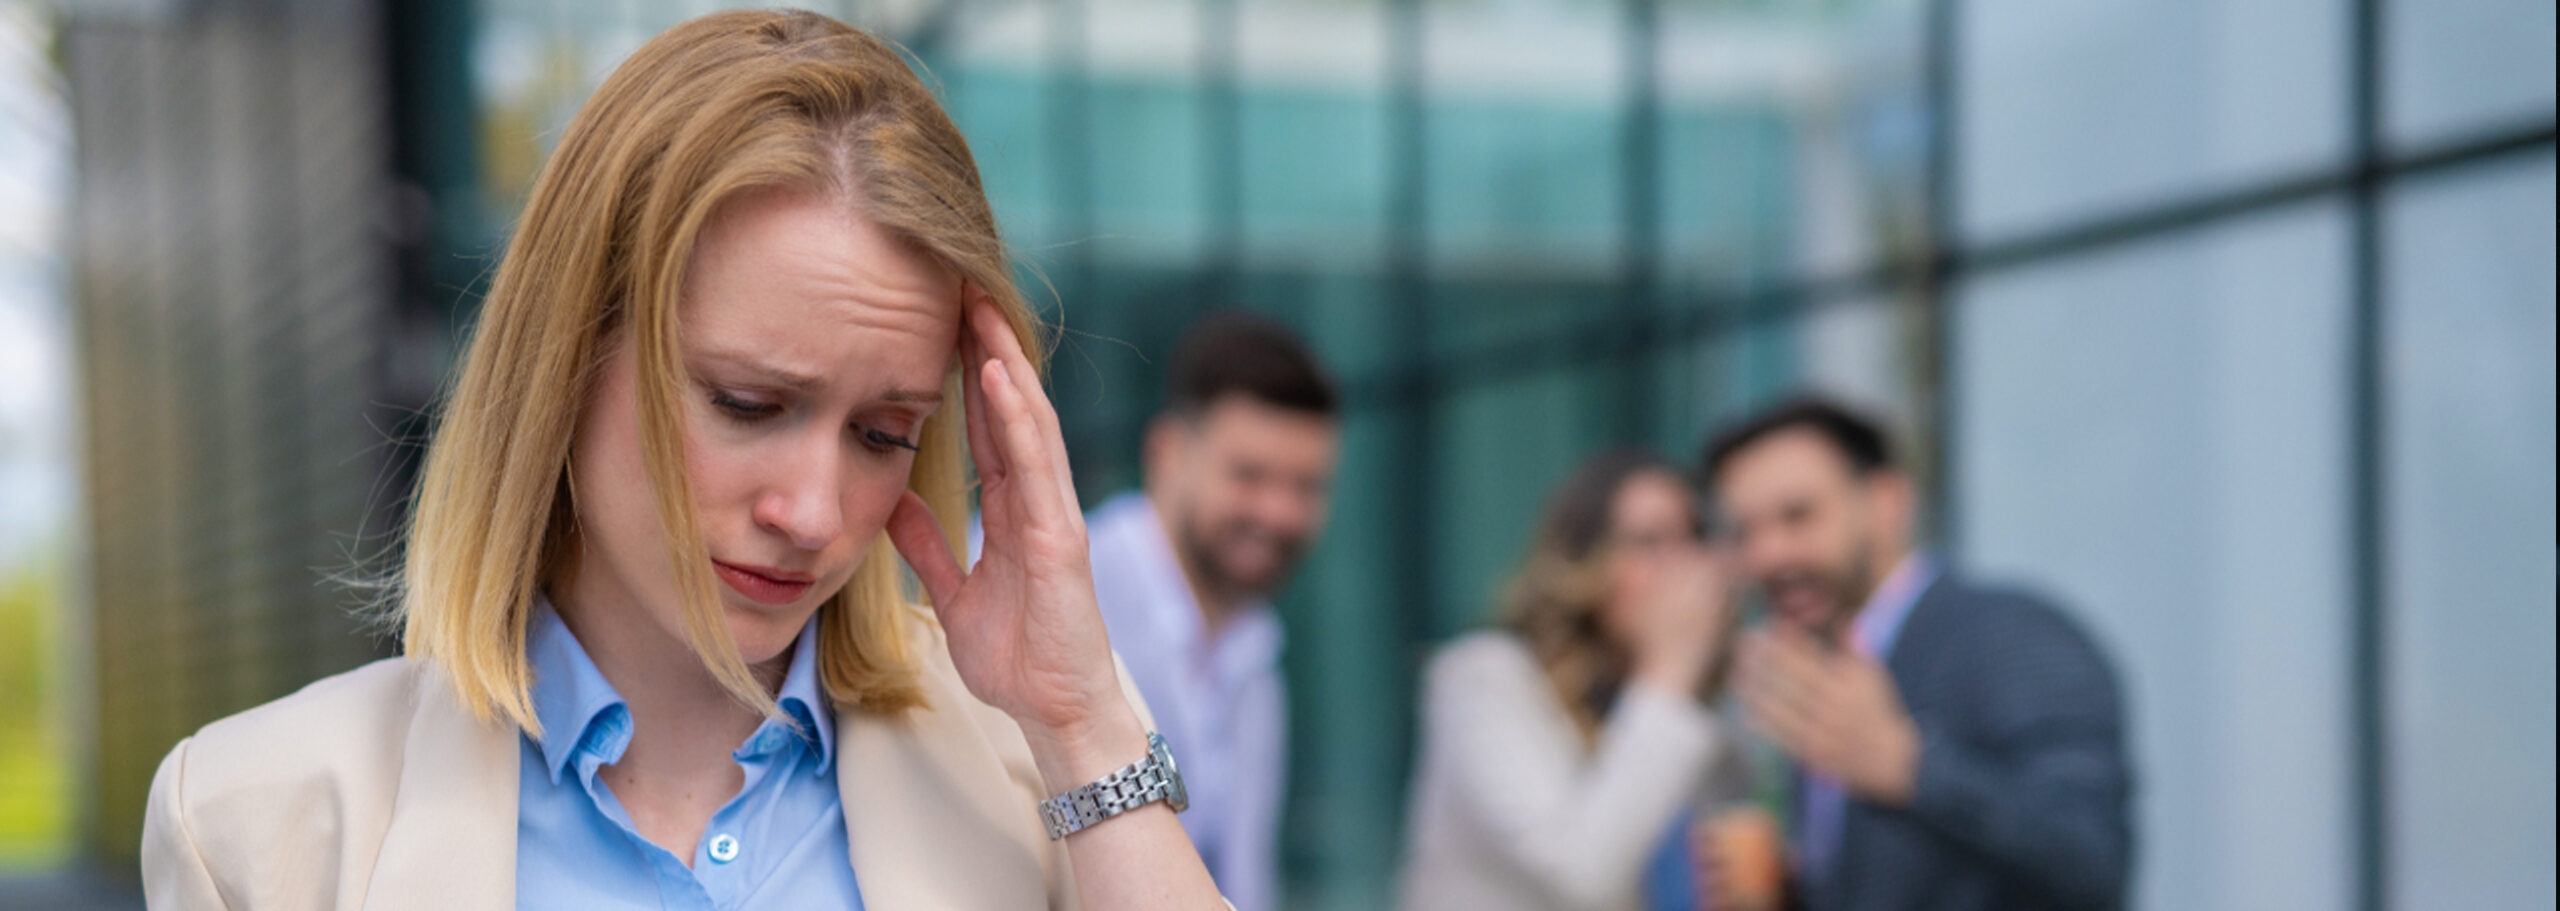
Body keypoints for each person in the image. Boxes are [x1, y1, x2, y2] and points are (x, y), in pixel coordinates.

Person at [138, 11, 1229, 910]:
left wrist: (1081, 724)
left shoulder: (1035, 768)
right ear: (567, 359)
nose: (811, 510)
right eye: (748, 403)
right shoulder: (256, 818)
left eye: (883, 432)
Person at [1698, 397, 2133, 911]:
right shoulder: (1824, 676)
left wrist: (1908, 765)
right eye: (1744, 532)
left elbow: (2091, 862)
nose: (1767, 555)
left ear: (1887, 502)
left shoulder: (2011, 635)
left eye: (1798, 516)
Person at [1399, 448, 1751, 911]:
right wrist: (1671, 671)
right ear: (1584, 562)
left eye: (1693, 540)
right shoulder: (1483, 678)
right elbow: (1584, 877)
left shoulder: (1692, 722)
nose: (1680, 568)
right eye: (1648, 543)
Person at [1082, 311, 1340, 911]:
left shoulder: (1255, 651)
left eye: (1306, 486)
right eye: (1249, 475)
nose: (1279, 513)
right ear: (1168, 454)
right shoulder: (1062, 590)